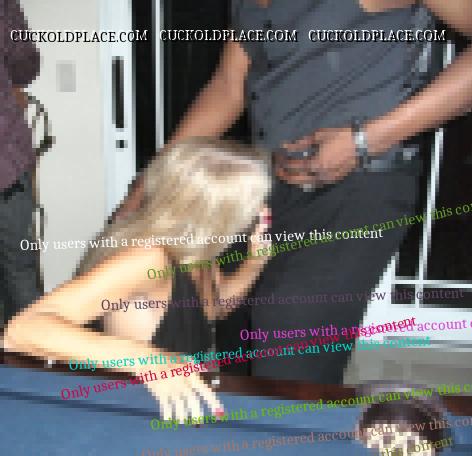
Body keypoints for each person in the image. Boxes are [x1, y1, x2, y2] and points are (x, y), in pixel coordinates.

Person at [138, 0, 472, 385]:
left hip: (358, 187)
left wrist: (365, 140)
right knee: (225, 318)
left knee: (291, 340)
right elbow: (228, 86)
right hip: (266, 183)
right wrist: (149, 184)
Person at [4, 138, 272, 421]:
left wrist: (254, 263)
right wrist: (151, 360)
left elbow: (215, 308)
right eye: (255, 201)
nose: (262, 209)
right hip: (131, 411)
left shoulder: (199, 249)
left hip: (181, 401)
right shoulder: (147, 259)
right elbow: (21, 332)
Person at [0, 0, 41, 325]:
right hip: (6, 159)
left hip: (7, 161)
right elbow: (25, 64)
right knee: (20, 267)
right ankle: (30, 348)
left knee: (19, 267)